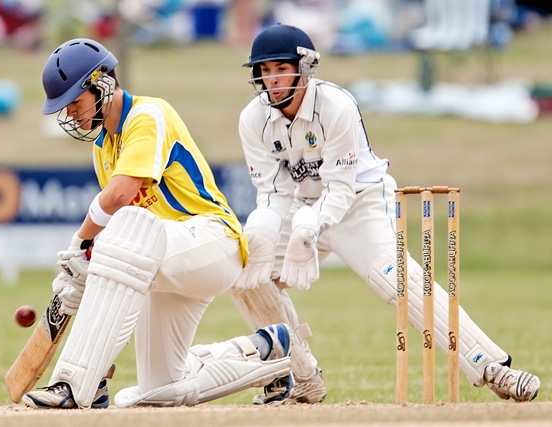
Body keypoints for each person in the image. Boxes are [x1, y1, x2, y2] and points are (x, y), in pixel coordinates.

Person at [229, 23, 541, 405]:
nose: (273, 79)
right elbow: (273, 191)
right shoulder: (252, 118)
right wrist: (261, 232)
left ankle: (493, 367)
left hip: (358, 202)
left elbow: (340, 188)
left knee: (394, 280)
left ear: (305, 66)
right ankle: (301, 376)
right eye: (265, 70)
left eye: (281, 68)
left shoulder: (337, 106)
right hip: (300, 205)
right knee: (245, 274)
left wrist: (309, 228)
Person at [21, 38, 293, 409]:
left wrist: (79, 242)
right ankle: (266, 352)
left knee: (130, 230)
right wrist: (82, 268)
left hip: (213, 242)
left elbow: (118, 198)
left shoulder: (148, 116)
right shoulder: (103, 146)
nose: (71, 115)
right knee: (156, 392)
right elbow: (116, 232)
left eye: (75, 103)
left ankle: (76, 382)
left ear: (102, 84)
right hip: (160, 258)